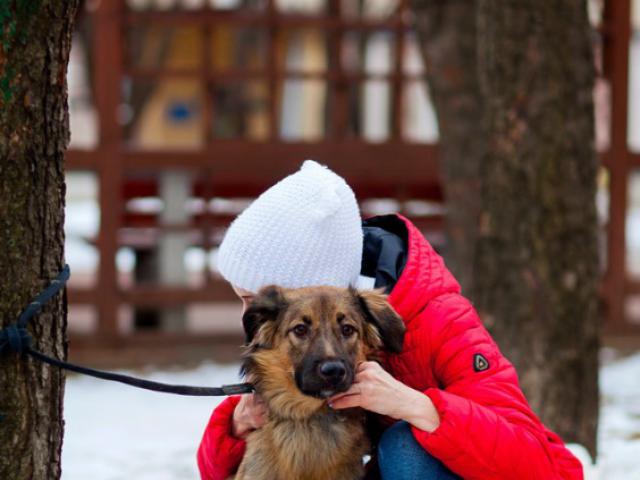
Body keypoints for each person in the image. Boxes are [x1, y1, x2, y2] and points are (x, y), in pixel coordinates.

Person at [197, 160, 583, 480]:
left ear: (313, 290)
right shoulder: (286, 360)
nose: (247, 317)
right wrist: (234, 426)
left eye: (250, 300)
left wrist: (420, 407)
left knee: (405, 447)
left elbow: (550, 471)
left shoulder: (441, 321)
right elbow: (220, 468)